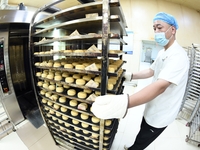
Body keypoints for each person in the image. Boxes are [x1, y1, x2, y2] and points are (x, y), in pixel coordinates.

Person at [92, 12, 189, 150]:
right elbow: (151, 71)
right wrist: (130, 75)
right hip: (152, 106)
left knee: (143, 141)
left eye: (160, 27)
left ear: (172, 30)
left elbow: (160, 86)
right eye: (154, 28)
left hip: (162, 113)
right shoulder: (163, 52)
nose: (156, 31)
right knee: (142, 132)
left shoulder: (178, 56)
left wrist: (124, 103)